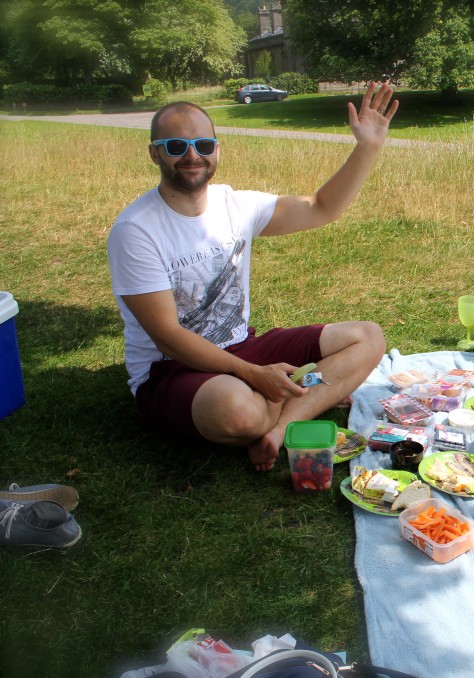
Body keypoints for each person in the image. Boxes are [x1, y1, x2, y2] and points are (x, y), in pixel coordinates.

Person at [107, 83, 398, 472]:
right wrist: (254, 376)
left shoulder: (235, 205)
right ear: (155, 153)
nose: (192, 155)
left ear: (217, 149)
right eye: (176, 146)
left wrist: (367, 148)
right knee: (240, 414)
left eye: (203, 145)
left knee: (368, 337)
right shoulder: (136, 230)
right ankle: (290, 401)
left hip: (240, 346)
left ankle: (278, 430)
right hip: (170, 370)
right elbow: (168, 337)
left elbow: (320, 207)